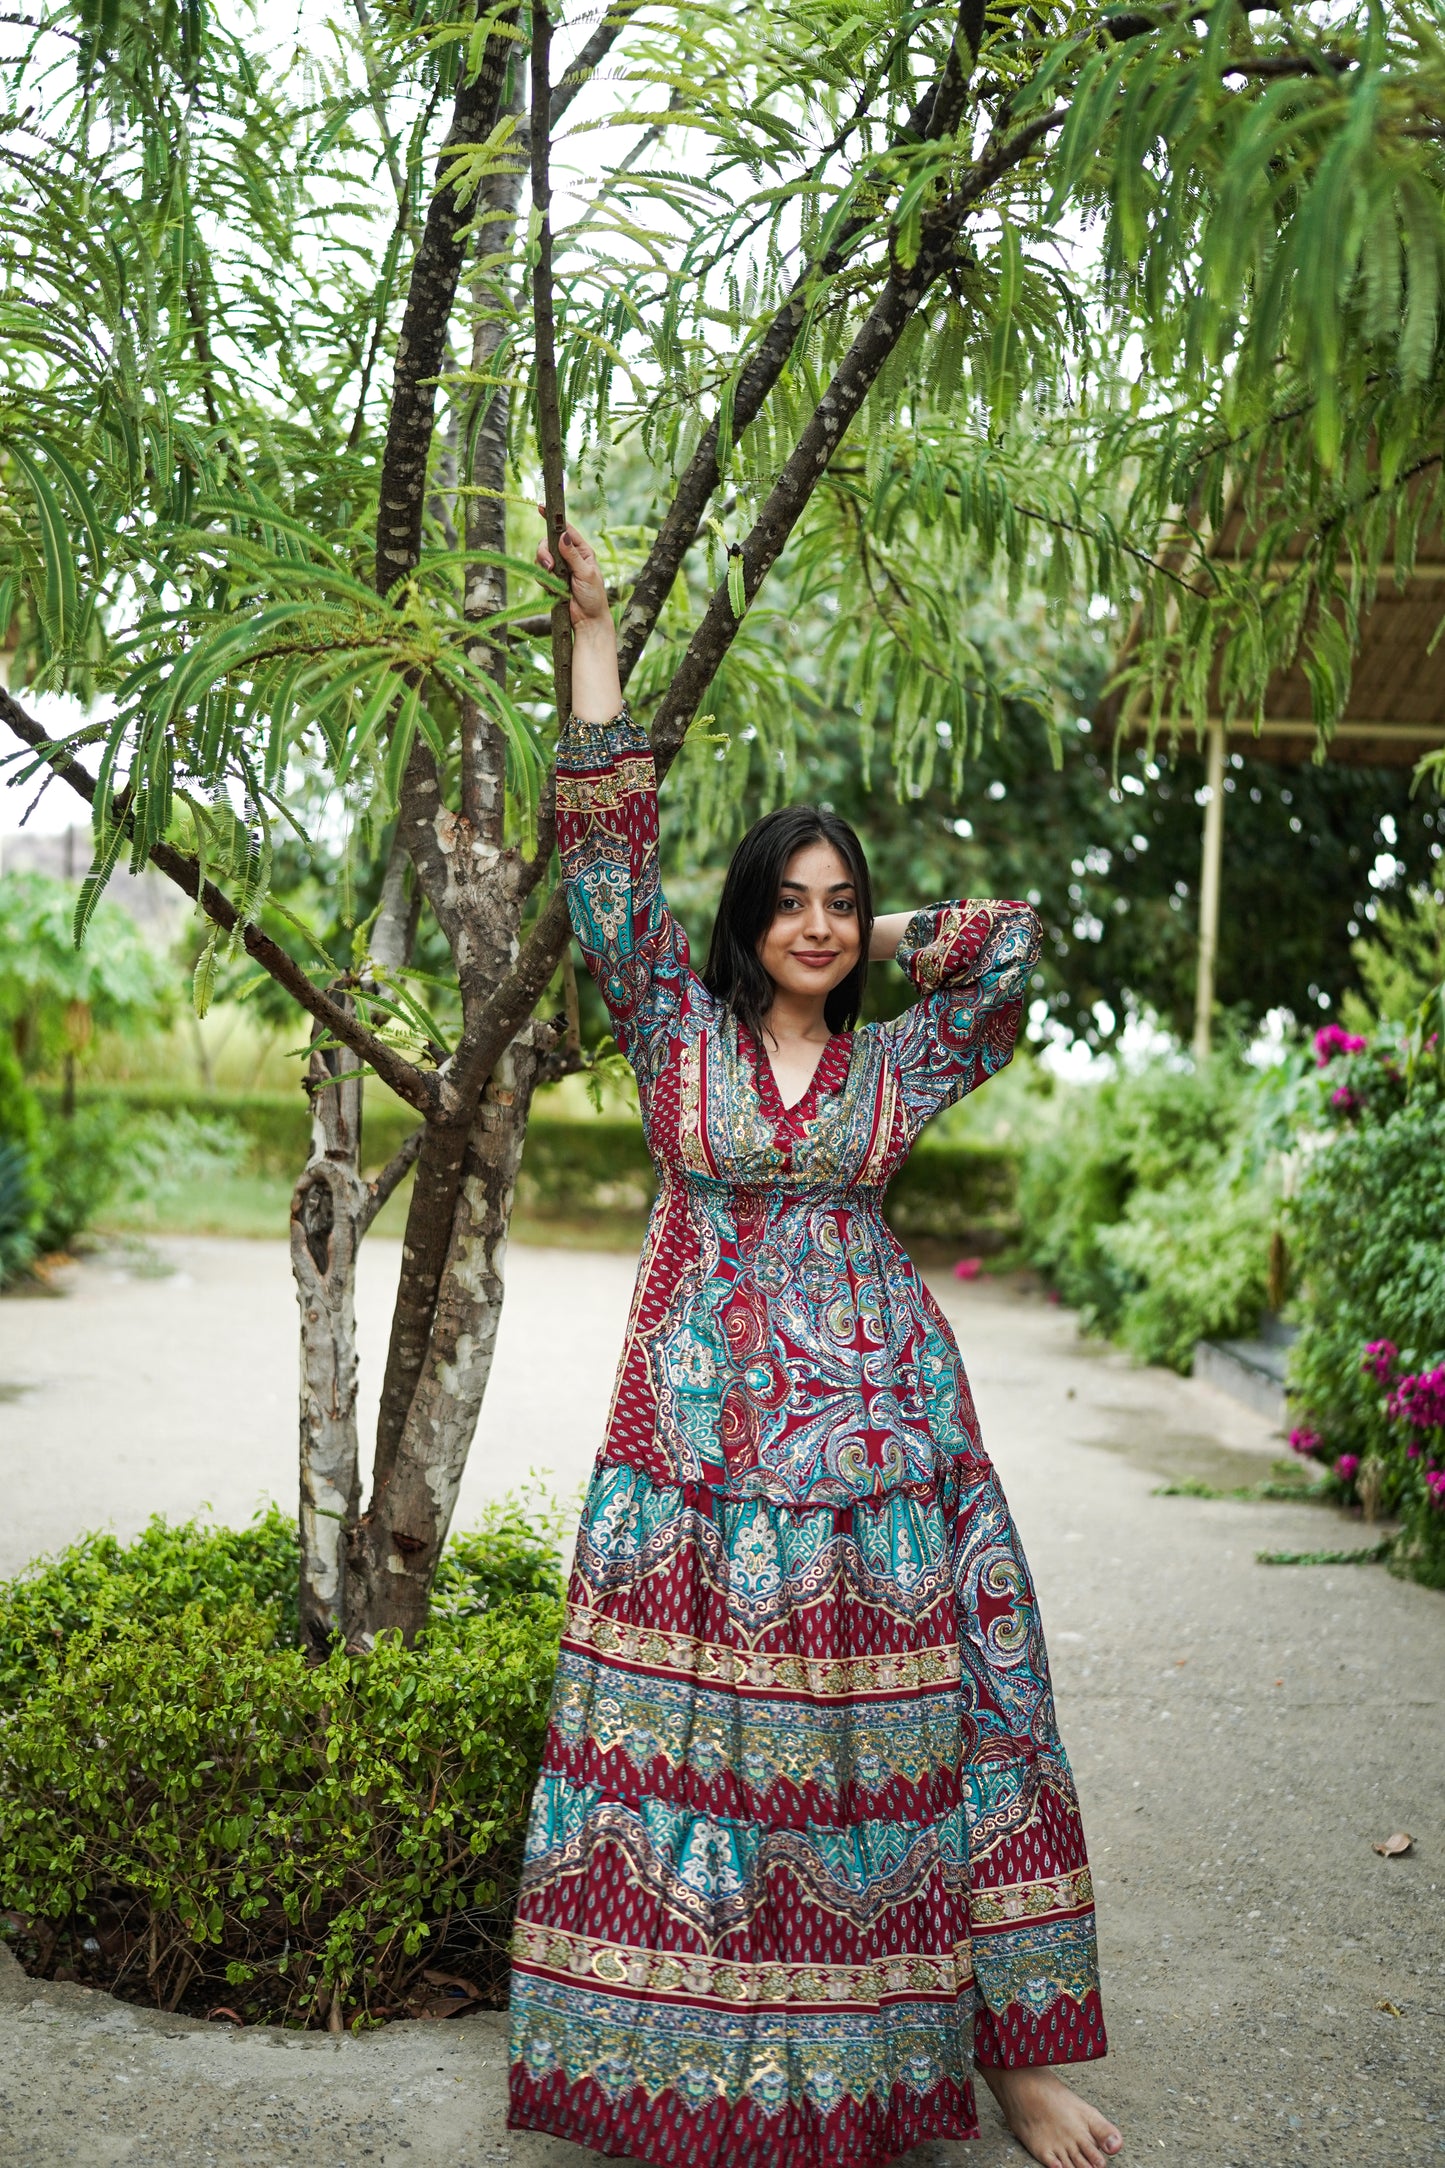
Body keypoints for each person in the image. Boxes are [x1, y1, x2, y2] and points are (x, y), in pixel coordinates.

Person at [507, 516, 1122, 2168]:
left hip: (885, 1442)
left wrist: (877, 940)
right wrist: (593, 634)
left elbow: (1009, 947)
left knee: (931, 1726)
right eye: (787, 903)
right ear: (740, 917)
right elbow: (603, 862)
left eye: (835, 902)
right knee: (711, 1740)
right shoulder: (669, 1025)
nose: (816, 923)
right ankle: (686, 2063)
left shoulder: (900, 1068)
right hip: (697, 1447)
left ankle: (1005, 2065)